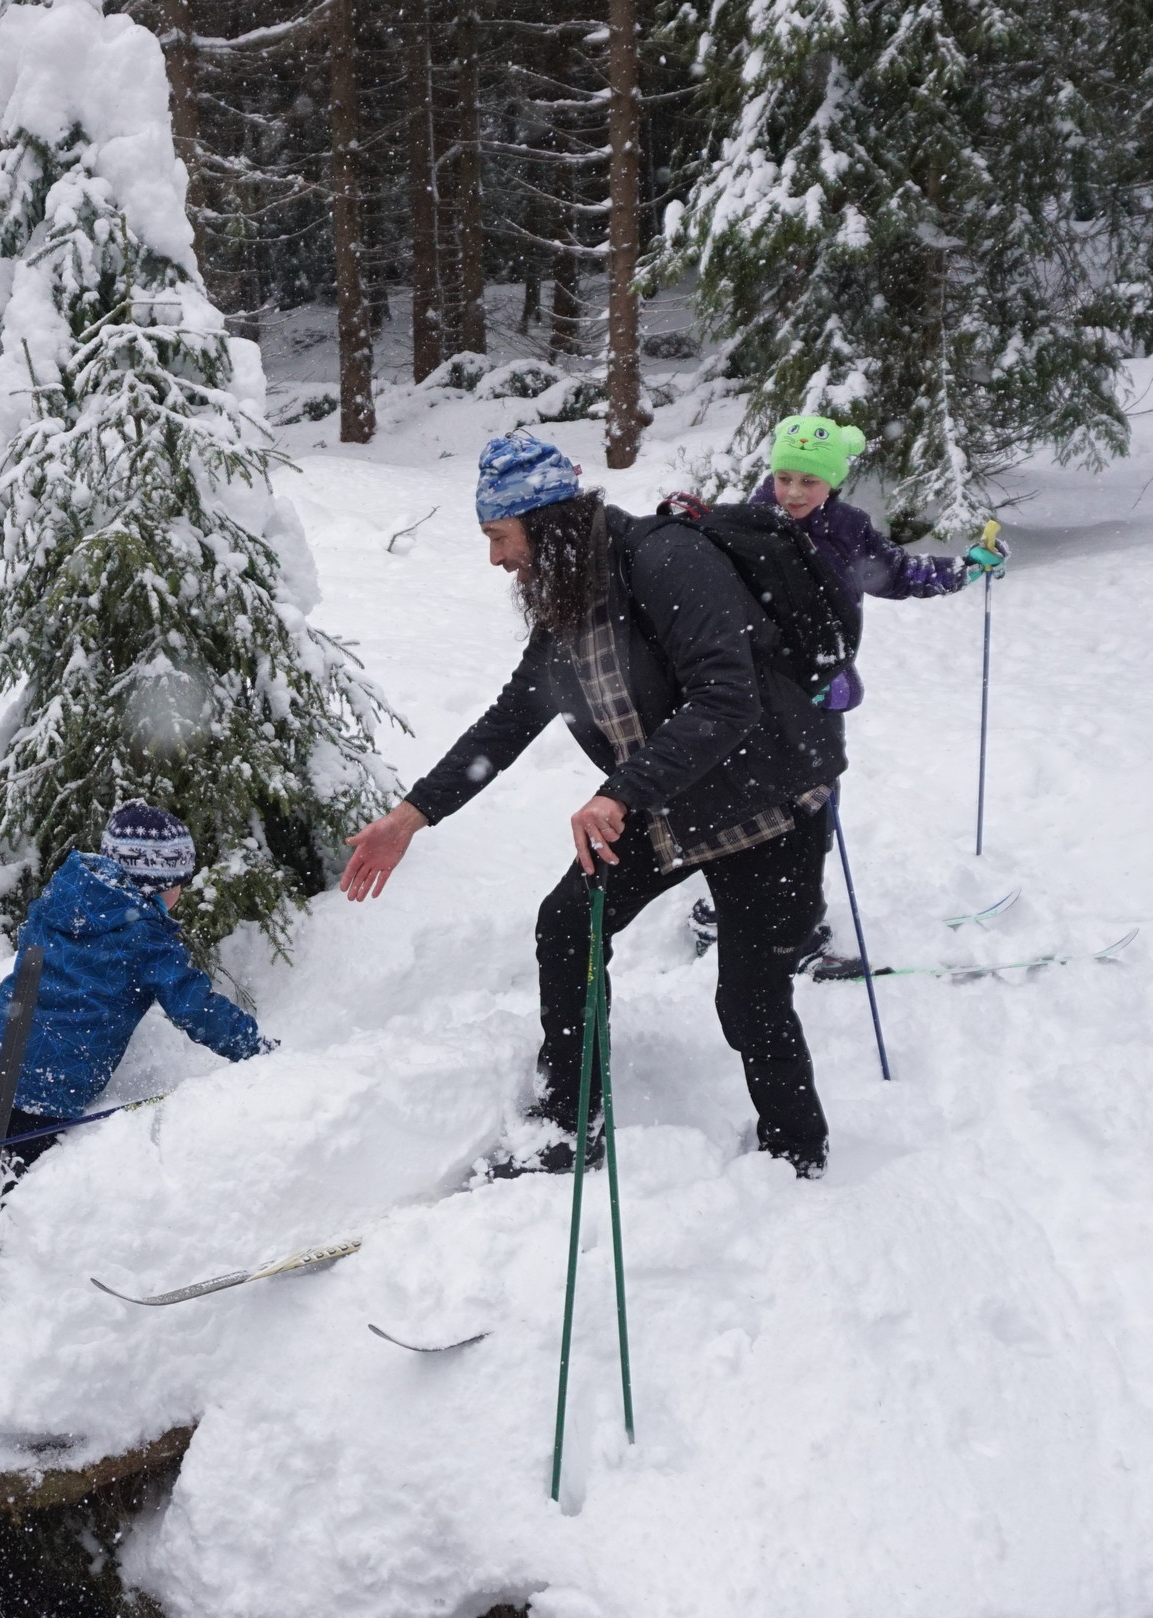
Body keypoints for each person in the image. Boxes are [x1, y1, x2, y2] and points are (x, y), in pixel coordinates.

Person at [338, 435, 842, 1178]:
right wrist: (410, 817)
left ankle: (796, 1153)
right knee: (569, 925)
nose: (496, 559)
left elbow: (726, 698)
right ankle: (571, 1120)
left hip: (765, 803)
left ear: (545, 524)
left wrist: (619, 792)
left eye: (499, 536)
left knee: (751, 999)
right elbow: (511, 719)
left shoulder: (667, 560)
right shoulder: (567, 600)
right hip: (667, 803)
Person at [0, 802, 272, 1283]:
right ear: (157, 884)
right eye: (179, 881)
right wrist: (255, 1048)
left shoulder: (62, 900)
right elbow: (195, 1008)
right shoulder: (148, 940)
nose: (182, 891)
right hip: (44, 1091)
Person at [684, 412, 1008, 968]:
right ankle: (735, 921)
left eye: (809, 480)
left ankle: (789, 922)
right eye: (785, 477)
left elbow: (897, 573)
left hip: (820, 696)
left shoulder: (847, 528)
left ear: (832, 480)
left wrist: (963, 569)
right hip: (754, 697)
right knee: (749, 808)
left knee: (813, 812)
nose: (793, 492)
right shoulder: (741, 523)